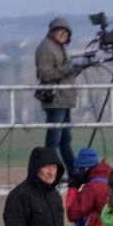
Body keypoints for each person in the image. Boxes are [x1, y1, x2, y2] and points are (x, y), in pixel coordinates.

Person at [34, 16, 79, 175]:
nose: (62, 33)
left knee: (65, 139)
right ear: (52, 31)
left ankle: (73, 172)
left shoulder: (59, 47)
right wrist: (68, 69)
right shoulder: (47, 47)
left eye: (65, 31)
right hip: (55, 100)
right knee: (54, 138)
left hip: (63, 99)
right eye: (59, 30)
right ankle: (49, 170)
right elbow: (45, 73)